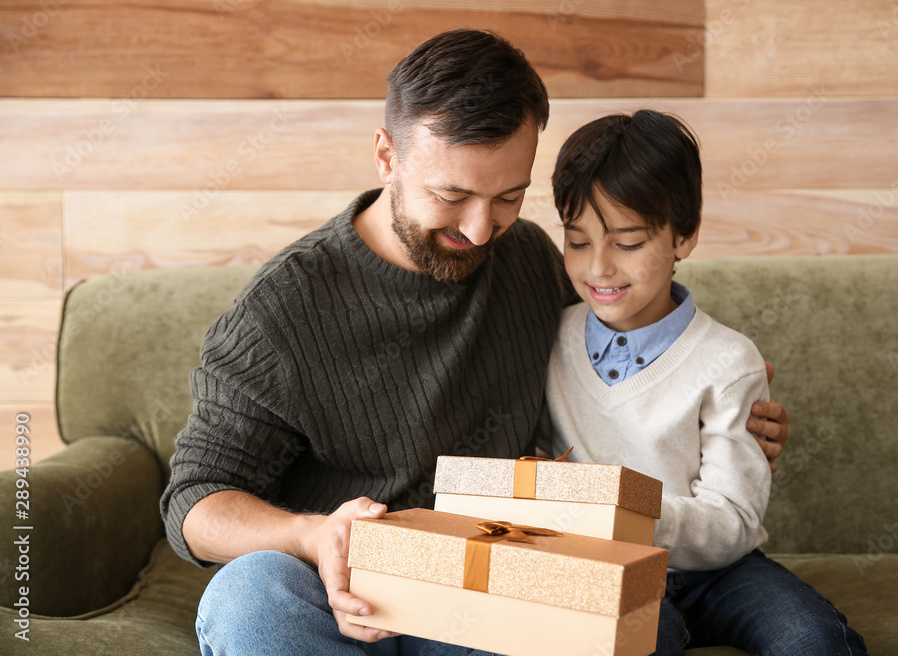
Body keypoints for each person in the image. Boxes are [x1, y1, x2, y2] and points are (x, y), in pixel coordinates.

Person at [160, 29, 790, 656]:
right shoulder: (281, 311)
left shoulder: (530, 261)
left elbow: (613, 370)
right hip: (336, 595)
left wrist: (728, 420)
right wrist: (313, 535)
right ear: (387, 156)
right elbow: (194, 500)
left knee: (599, 617)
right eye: (451, 195)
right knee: (249, 591)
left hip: (489, 590)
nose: (481, 229)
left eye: (508, 198)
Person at [544, 109, 866, 655]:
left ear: (684, 236)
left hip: (722, 573)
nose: (598, 268)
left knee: (813, 641)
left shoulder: (729, 361)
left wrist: (615, 509)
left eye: (627, 243)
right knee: (635, 639)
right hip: (603, 572)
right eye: (577, 242)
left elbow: (733, 522)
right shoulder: (550, 336)